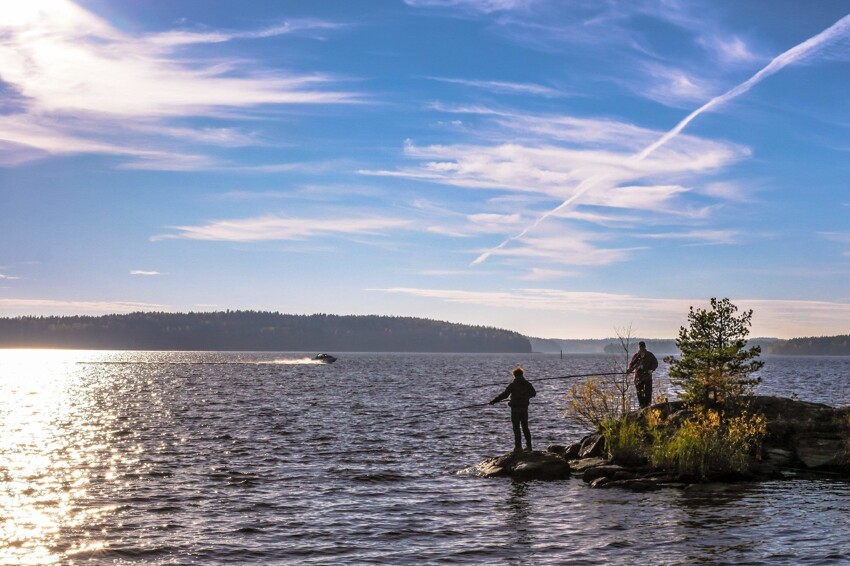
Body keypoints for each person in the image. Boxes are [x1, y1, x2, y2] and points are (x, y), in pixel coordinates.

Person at [489, 367, 536, 452]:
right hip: (524, 409)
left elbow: (505, 395)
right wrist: (525, 396)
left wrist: (494, 401)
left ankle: (518, 447)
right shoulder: (527, 384)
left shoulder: (513, 385)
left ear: (514, 375)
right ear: (522, 374)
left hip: (515, 409)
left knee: (516, 428)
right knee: (525, 427)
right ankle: (529, 447)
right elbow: (533, 393)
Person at [628, 341, 658, 409]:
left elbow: (655, 363)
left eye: (642, 347)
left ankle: (648, 406)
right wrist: (629, 370)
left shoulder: (650, 355)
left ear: (645, 347)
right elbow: (632, 364)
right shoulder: (636, 356)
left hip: (647, 376)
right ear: (639, 347)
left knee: (648, 392)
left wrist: (651, 369)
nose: (641, 348)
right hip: (638, 377)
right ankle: (641, 406)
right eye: (640, 347)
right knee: (639, 392)